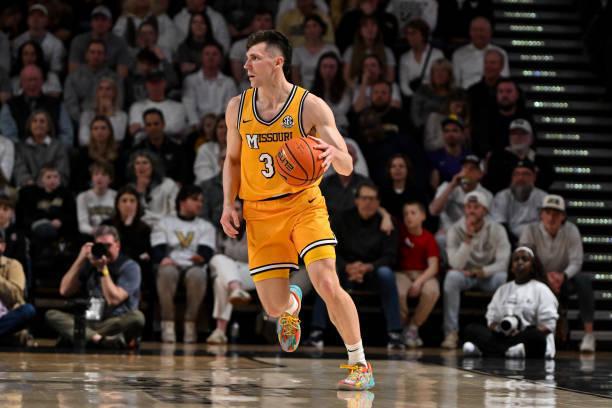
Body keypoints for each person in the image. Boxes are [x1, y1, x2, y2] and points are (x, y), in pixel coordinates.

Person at [220, 30, 374, 389]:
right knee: (273, 308)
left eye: (255, 58)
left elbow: (348, 165)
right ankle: (291, 304)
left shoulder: (310, 106)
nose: (246, 65)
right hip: (260, 212)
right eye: (246, 58)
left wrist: (332, 153)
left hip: (304, 205)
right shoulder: (237, 107)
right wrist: (228, 203)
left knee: (327, 282)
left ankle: (359, 365)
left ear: (278, 62)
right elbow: (232, 160)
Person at [305, 182, 403, 350]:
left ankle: (395, 334)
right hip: (345, 270)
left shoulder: (387, 223)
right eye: (364, 198)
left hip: (373, 271)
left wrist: (368, 267)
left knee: (386, 274)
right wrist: (346, 267)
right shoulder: (342, 219)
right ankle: (316, 332)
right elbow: (331, 249)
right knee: (327, 277)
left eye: (372, 199)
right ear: (356, 200)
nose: (368, 202)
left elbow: (390, 255)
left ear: (378, 202)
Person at [45, 225, 145, 349]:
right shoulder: (90, 263)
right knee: (51, 315)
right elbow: (64, 290)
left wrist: (102, 269)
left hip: (114, 322)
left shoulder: (129, 267)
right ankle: (99, 339)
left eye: (108, 246)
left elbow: (114, 299)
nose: (104, 250)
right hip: (91, 320)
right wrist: (80, 259)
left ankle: (82, 336)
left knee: (137, 317)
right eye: (100, 246)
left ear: (117, 245)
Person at [520, 195, 595, 353]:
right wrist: (545, 276)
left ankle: (589, 334)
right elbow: (525, 259)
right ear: (541, 214)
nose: (551, 217)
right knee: (522, 279)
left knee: (584, 281)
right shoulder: (530, 230)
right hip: (538, 277)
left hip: (563, 278)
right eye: (547, 212)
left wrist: (563, 276)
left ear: (563, 216)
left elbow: (576, 261)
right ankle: (523, 333)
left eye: (556, 213)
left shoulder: (571, 230)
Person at [441, 191, 511, 349]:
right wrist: (468, 239)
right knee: (451, 277)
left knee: (502, 278)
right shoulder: (454, 230)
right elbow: (455, 264)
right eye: (468, 207)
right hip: (464, 275)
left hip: (488, 275)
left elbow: (503, 263)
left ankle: (502, 330)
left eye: (476, 207)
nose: (471, 211)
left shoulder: (498, 229)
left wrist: (481, 271)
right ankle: (451, 332)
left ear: (485, 210)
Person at [462, 246, 558, 358]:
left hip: (525, 336)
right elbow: (491, 321)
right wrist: (501, 329)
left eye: (524, 259)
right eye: (516, 259)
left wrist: (521, 331)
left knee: (537, 337)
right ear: (511, 267)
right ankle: (510, 351)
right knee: (471, 329)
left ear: (532, 266)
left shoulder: (541, 289)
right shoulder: (503, 290)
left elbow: (548, 326)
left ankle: (488, 351)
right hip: (505, 337)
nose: (520, 262)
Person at [151, 185, 215, 343]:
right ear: (182, 202)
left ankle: (190, 323)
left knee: (198, 275)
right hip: (171, 264)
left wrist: (201, 258)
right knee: (166, 272)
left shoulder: (205, 226)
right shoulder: (164, 223)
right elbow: (157, 250)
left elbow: (206, 252)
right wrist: (163, 259)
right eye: (195, 199)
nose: (199, 204)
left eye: (201, 201)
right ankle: (167, 323)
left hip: (193, 266)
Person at [207, 200, 253, 344]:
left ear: (244, 212)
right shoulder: (219, 232)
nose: (233, 213)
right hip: (230, 274)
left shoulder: (254, 229)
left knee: (221, 279)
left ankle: (220, 330)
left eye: (237, 209)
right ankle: (236, 289)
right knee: (218, 262)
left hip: (251, 273)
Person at [396, 201, 440, 348]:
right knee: (399, 291)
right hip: (403, 273)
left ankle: (413, 326)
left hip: (423, 273)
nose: (408, 217)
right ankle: (402, 326)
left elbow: (433, 267)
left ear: (423, 216)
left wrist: (418, 282)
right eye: (406, 214)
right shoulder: (399, 234)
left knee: (432, 291)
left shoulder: (428, 238)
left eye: (413, 213)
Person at [0, 65, 74, 147]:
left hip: (53, 151)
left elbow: (66, 133)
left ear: (42, 81)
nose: (32, 84)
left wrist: (56, 150)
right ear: (22, 83)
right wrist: (25, 151)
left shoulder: (57, 104)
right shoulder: (9, 105)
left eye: (35, 79)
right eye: (29, 80)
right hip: (20, 151)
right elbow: (9, 136)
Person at [429, 154, 492, 250]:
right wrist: (452, 186)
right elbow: (433, 211)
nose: (466, 172)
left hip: (474, 234)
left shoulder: (486, 195)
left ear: (480, 174)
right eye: (464, 168)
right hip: (448, 232)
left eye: (472, 169)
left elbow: (486, 222)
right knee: (440, 239)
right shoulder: (447, 186)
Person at [483, 119, 554, 194]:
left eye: (523, 133)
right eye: (514, 133)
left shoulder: (542, 162)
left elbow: (545, 184)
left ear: (532, 138)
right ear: (509, 137)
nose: (518, 137)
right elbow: (492, 184)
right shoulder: (496, 159)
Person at [182, 42, 238, 129]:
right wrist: (197, 125)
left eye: (214, 54)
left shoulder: (229, 82)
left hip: (222, 127)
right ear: (201, 57)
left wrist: (219, 126)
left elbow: (230, 108)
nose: (210, 57)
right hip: (197, 127)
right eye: (207, 54)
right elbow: (189, 107)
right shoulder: (190, 80)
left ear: (221, 58)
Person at [490, 159, 547, 245]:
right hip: (508, 241)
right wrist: (514, 243)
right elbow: (500, 224)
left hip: (538, 242)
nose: (520, 178)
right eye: (516, 174)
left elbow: (547, 225)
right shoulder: (502, 196)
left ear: (534, 177)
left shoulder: (543, 197)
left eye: (525, 174)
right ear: (512, 177)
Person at [63, 40, 121, 123]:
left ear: (105, 56)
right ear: (86, 55)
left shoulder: (115, 78)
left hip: (109, 120)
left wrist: (106, 119)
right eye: (92, 52)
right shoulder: (73, 77)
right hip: (80, 120)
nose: (96, 56)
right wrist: (85, 120)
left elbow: (119, 102)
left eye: (99, 53)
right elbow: (70, 104)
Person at [68, 6, 130, 78]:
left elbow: (122, 75)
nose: (100, 23)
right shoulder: (78, 41)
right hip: (84, 80)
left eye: (104, 20)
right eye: (96, 19)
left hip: (109, 81)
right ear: (91, 23)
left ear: (110, 23)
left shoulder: (120, 43)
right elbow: (73, 72)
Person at [12, 109, 70, 187]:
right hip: (29, 188)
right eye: (34, 121)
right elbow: (20, 171)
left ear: (48, 127)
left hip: (53, 187)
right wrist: (30, 183)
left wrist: (48, 182)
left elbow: (62, 172)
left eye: (42, 121)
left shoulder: (58, 146)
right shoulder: (20, 147)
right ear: (29, 126)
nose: (38, 124)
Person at [133, 108, 189, 183]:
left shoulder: (177, 149)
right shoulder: (137, 150)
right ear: (145, 128)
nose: (153, 128)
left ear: (163, 124)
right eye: (149, 125)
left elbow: (183, 175)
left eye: (156, 124)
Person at [451, 16, 509, 89]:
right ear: (470, 32)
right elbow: (456, 83)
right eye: (475, 30)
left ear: (490, 32)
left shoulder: (500, 53)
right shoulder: (458, 54)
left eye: (482, 30)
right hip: (466, 93)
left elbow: (505, 80)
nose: (478, 33)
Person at [125, 150, 179, 227]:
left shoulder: (168, 184)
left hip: (164, 226)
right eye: (137, 163)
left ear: (153, 166)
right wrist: (140, 192)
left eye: (145, 163)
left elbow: (175, 211)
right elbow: (131, 214)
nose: (141, 167)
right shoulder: (129, 188)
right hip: (140, 228)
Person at [0, 231, 35, 346]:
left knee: (28, 310)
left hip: (4, 317)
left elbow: (16, 296)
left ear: (2, 246)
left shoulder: (13, 265)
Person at [12, 4, 65, 74]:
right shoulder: (17, 42)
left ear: (47, 20)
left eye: (40, 16)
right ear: (27, 20)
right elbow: (16, 66)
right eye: (32, 15)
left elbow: (56, 69)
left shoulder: (56, 44)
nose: (35, 18)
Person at [343, 15, 395, 86]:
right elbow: (346, 77)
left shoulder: (387, 51)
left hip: (380, 88)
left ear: (378, 29)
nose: (370, 29)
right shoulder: (350, 51)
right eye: (365, 26)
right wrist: (359, 89)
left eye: (373, 25)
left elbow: (390, 78)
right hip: (357, 87)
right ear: (360, 30)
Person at [398, 18, 444, 99]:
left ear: (423, 35)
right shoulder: (404, 58)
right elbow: (404, 84)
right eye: (408, 34)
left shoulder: (437, 54)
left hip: (434, 97)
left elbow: (441, 79)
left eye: (414, 33)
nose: (410, 37)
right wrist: (416, 98)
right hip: (413, 98)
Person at [291, 15, 339, 89]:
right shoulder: (297, 51)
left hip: (328, 90)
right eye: (307, 27)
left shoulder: (332, 49)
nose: (311, 30)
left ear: (322, 28)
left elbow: (338, 74)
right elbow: (295, 77)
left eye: (314, 26)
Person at [310, 52, 352, 134]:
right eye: (324, 66)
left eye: (332, 67)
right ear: (319, 69)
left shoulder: (345, 89)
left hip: (341, 130)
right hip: (319, 131)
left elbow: (343, 110)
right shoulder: (312, 90)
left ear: (338, 69)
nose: (328, 70)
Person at [379, 153, 429, 220]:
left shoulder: (417, 192)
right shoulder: (382, 191)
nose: (397, 169)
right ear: (389, 170)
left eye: (401, 166)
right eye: (393, 166)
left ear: (407, 170)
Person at [411, 58, 455, 130]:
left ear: (450, 75)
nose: (439, 74)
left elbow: (458, 116)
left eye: (443, 70)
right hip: (424, 129)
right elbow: (415, 116)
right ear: (431, 74)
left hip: (449, 129)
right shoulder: (422, 91)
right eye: (436, 70)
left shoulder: (455, 94)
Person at [427, 114, 469, 190]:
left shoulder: (469, 157)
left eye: (455, 130)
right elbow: (434, 188)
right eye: (446, 131)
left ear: (462, 133)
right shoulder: (434, 157)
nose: (450, 134)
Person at [76, 162, 116, 238]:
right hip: (90, 236)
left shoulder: (116, 196)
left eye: (104, 175)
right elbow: (82, 225)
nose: (99, 177)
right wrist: (96, 231)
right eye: (96, 174)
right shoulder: (82, 197)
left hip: (112, 236)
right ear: (92, 177)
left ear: (110, 179)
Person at [175, 12, 216, 77]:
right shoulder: (183, 47)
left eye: (202, 22)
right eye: (195, 22)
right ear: (190, 26)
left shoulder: (216, 47)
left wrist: (195, 66)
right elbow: (185, 71)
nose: (198, 26)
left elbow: (216, 69)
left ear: (207, 26)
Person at [194, 115, 227, 184]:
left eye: (228, 127)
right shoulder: (205, 149)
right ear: (215, 130)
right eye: (221, 127)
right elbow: (206, 178)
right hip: (207, 188)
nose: (225, 130)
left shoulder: (243, 150)